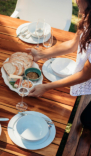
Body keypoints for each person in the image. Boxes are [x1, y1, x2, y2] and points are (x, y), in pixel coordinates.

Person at [27, 0, 91, 128]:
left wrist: (46, 87)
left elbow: (85, 74)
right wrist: (41, 54)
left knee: (86, 121)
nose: (76, 0)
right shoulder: (88, 16)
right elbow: (73, 45)